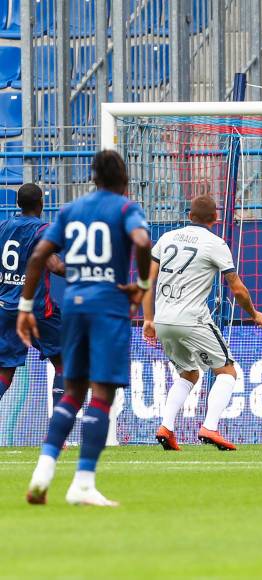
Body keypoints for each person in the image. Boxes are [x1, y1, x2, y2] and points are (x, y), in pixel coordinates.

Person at [20, 150, 152, 507]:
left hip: (74, 307)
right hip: (108, 307)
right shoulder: (126, 209)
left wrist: (26, 307)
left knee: (72, 392)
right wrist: (140, 283)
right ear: (124, 180)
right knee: (102, 394)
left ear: (93, 178)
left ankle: (42, 475)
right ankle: (82, 483)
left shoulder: (70, 211)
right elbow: (141, 242)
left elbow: (37, 257)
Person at [143, 195, 262, 452]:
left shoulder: (166, 239)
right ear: (216, 219)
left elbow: (146, 281)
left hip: (163, 319)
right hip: (192, 319)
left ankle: (166, 426)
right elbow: (238, 289)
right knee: (227, 371)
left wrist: (147, 318)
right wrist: (254, 313)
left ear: (189, 216)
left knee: (188, 373)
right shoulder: (216, 243)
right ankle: (209, 427)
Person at [0, 183, 65, 407]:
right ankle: (58, 433)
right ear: (41, 203)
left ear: (18, 204)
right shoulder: (43, 230)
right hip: (36, 309)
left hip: (6, 308)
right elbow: (55, 265)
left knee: (5, 370)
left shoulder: (4, 227)